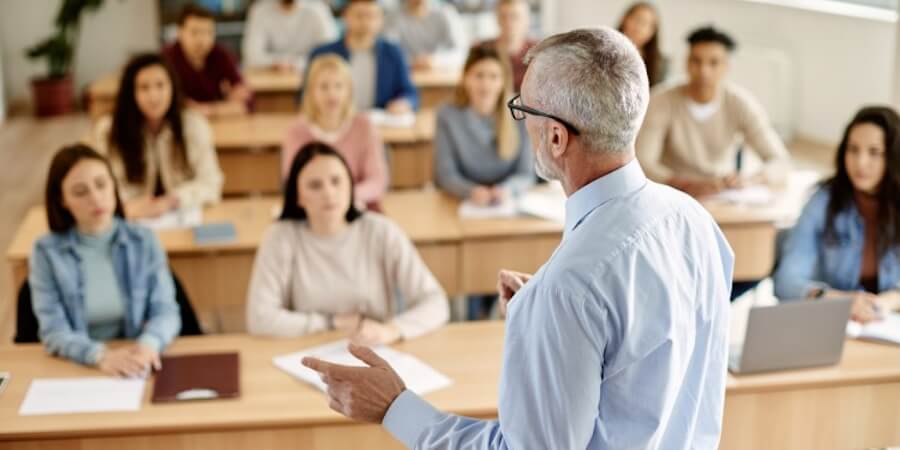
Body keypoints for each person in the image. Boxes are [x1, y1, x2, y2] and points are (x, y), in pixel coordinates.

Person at [303, 27, 734, 449]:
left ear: (556, 137)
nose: (520, 122)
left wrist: (394, 407)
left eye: (522, 110)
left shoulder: (571, 287)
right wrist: (552, 318)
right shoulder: (695, 220)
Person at [246, 142, 448, 344]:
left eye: (336, 181)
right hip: (306, 350)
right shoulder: (280, 237)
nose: (329, 193)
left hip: (374, 350)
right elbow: (260, 318)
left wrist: (391, 330)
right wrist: (329, 323)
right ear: (298, 196)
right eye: (315, 185)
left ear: (350, 185)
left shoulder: (380, 231)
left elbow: (435, 302)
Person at [29, 144, 181, 377]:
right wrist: (100, 356)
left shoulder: (144, 241)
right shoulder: (46, 252)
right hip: (79, 364)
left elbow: (166, 311)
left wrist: (148, 344)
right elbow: (53, 331)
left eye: (101, 184)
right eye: (81, 192)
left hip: (136, 361)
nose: (96, 198)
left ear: (114, 185)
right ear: (62, 200)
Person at [774, 106, 900, 323]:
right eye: (853, 149)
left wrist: (886, 302)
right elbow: (786, 282)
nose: (860, 162)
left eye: (874, 152)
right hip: (830, 324)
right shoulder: (822, 202)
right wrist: (841, 301)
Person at [635, 26, 790, 198]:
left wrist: (750, 180)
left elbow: (780, 161)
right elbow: (643, 162)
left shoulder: (741, 103)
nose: (704, 71)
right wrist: (684, 184)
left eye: (714, 63)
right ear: (686, 62)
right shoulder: (661, 100)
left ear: (727, 66)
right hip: (671, 192)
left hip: (721, 194)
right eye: (696, 61)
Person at [87, 53, 224, 219]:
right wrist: (128, 206)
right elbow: (99, 185)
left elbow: (211, 182)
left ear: (172, 87)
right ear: (131, 93)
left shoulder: (194, 125)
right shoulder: (108, 130)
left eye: (160, 85)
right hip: (129, 217)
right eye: (144, 88)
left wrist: (172, 200)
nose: (153, 96)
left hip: (180, 215)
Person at [434, 44, 534, 206]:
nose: (485, 84)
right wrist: (470, 191)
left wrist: (506, 190)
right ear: (465, 78)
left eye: (494, 76)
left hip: (507, 201)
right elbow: (446, 175)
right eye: (479, 75)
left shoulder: (520, 113)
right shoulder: (447, 115)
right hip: (463, 201)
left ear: (503, 81)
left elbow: (525, 173)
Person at [283, 54, 388, 207]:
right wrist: (325, 200)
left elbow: (377, 181)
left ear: (349, 91)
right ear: (311, 92)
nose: (332, 95)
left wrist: (343, 197)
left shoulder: (365, 127)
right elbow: (293, 183)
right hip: (313, 211)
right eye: (324, 87)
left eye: (338, 86)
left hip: (358, 207)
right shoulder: (296, 132)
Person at [308, 0, 419, 114]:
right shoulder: (322, 54)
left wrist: (404, 103)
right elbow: (306, 96)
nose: (366, 22)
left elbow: (409, 93)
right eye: (359, 16)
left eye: (372, 16)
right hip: (334, 122)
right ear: (345, 17)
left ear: (381, 20)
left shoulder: (394, 53)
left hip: (380, 122)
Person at [163, 4, 253, 117]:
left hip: (219, 124)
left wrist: (207, 110)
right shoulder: (166, 59)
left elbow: (246, 102)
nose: (201, 40)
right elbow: (170, 105)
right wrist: (224, 107)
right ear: (180, 32)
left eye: (208, 32)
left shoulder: (220, 55)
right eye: (194, 32)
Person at [242, 0, 338, 72]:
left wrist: (295, 64)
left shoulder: (318, 9)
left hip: (311, 78)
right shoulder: (260, 10)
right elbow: (251, 56)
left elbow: (330, 53)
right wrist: (277, 64)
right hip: (268, 80)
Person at [384, 0, 467, 69]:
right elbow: (387, 52)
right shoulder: (393, 17)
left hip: (441, 75)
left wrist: (435, 60)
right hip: (407, 74)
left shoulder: (446, 13)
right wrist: (411, 61)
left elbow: (461, 53)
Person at [479, 0, 536, 93]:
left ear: (527, 20)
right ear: (497, 19)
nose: (508, 22)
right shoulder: (482, 50)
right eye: (503, 16)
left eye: (515, 16)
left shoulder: (538, 53)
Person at [617, 2, 668, 87]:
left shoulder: (661, 64)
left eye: (645, 24)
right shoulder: (601, 50)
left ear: (653, 32)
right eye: (637, 19)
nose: (638, 28)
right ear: (624, 19)